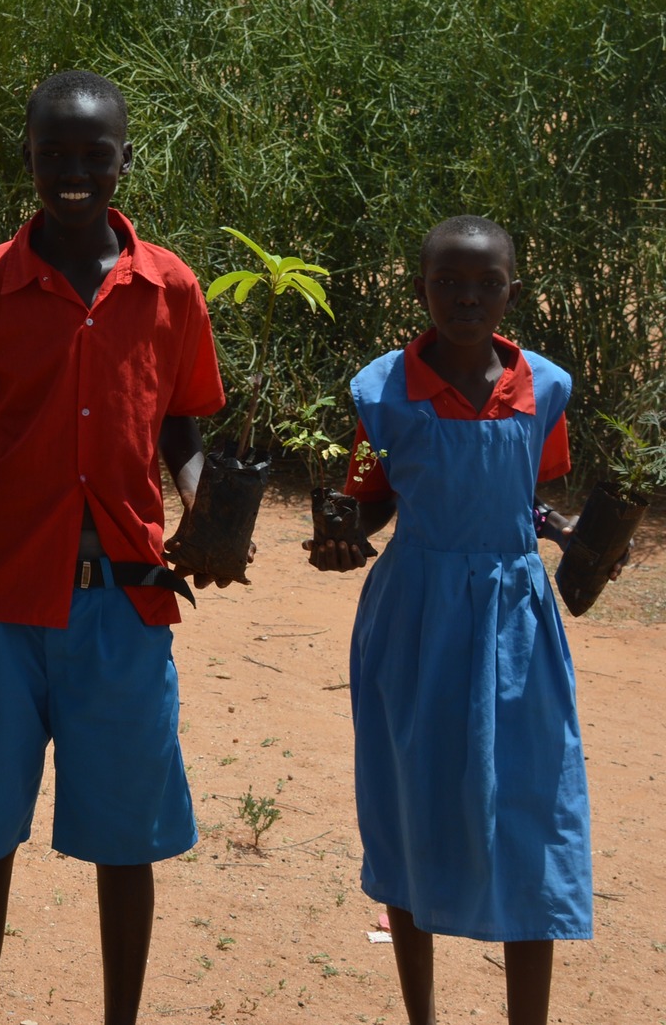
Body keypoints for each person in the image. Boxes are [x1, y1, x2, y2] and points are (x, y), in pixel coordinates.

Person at [0, 70, 230, 1025]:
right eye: (54, 155)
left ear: (124, 160)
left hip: (124, 603)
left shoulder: (169, 288)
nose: (74, 173)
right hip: (1, 595)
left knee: (126, 840)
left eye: (94, 155)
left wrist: (208, 515)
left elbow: (184, 429)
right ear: (30, 159)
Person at [308, 215, 608, 1025]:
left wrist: (566, 535)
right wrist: (340, 537)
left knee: (529, 806)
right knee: (412, 798)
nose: (466, 297)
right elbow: (368, 501)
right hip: (414, 620)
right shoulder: (381, 392)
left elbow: (528, 496)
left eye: (485, 283)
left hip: (517, 623)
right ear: (420, 290)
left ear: (513, 290)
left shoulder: (544, 388)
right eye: (448, 282)